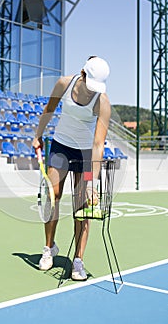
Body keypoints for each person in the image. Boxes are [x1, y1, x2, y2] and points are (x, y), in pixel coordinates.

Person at [32, 56, 111, 281]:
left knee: (82, 207)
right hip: (60, 148)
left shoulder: (102, 102)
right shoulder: (64, 84)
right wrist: (38, 135)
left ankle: (78, 261)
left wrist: (92, 182)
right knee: (52, 196)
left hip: (85, 156)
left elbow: (98, 144)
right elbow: (49, 109)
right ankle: (49, 249)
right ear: (83, 73)